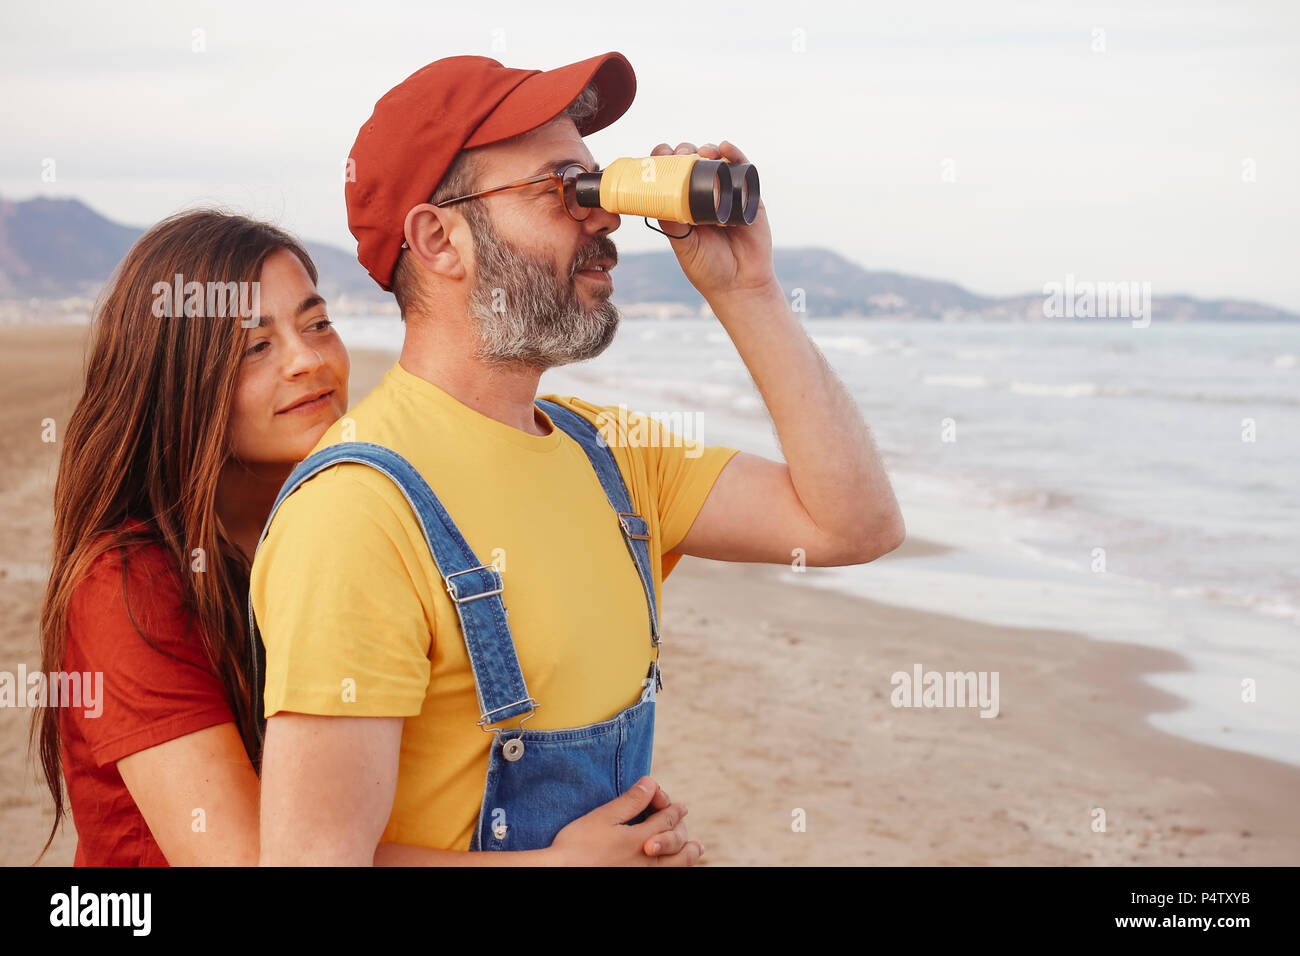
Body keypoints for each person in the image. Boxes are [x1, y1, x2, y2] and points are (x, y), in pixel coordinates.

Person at [252, 51, 905, 866]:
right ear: (438, 238)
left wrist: (748, 290)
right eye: (562, 188)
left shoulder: (608, 454)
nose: (604, 216)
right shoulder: (356, 512)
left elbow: (855, 525)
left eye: (598, 184)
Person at [34, 209, 688, 866]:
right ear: (174, 383)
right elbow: (247, 859)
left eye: (317, 324)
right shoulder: (126, 586)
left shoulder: (354, 518)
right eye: (256, 347)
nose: (308, 361)